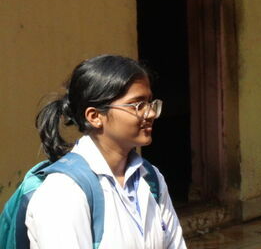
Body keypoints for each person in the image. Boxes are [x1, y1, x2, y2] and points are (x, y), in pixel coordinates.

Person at [26, 55, 186, 248]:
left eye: (150, 103)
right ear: (95, 116)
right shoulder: (63, 191)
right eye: (138, 105)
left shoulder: (151, 179)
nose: (150, 113)